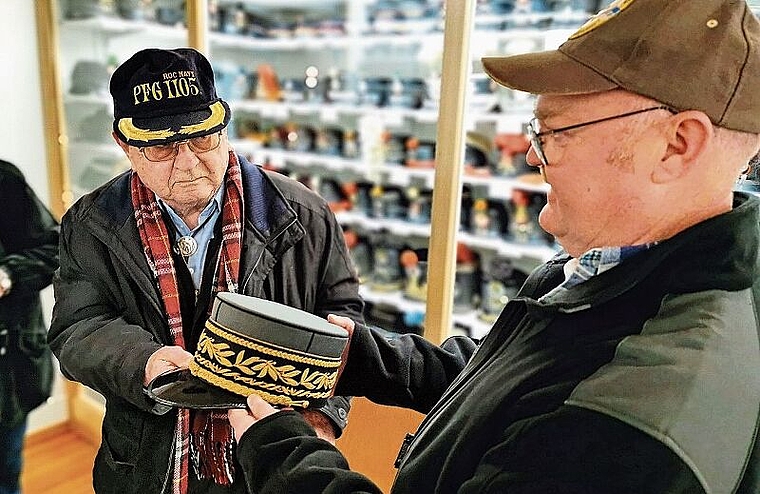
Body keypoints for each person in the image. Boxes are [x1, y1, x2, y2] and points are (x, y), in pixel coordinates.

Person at [226, 1, 760, 493]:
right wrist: (361, 357)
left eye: (553, 133)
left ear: (676, 145)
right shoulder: (625, 272)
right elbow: (513, 380)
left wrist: (281, 452)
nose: (531, 157)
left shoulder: (640, 414)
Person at [47, 47, 363, 494]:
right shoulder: (91, 223)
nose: (189, 162)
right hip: (147, 459)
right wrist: (145, 362)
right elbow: (77, 327)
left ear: (224, 127)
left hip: (270, 451)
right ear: (124, 144)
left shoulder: (302, 212)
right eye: (161, 146)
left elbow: (342, 318)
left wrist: (321, 417)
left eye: (202, 138)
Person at [0, 159, 59, 494]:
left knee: (5, 472)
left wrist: (8, 275)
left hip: (7, 373)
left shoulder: (4, 181)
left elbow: (55, 247)